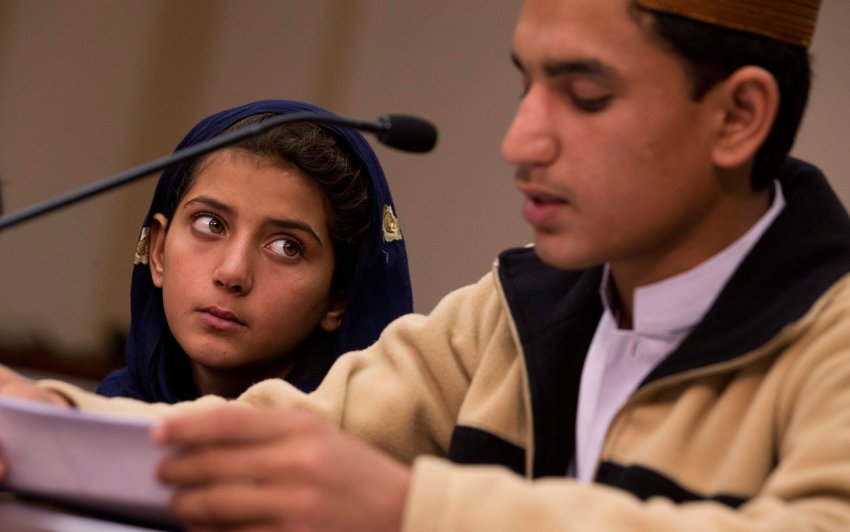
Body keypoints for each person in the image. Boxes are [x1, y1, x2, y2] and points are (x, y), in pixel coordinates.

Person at [2, 0, 850, 530]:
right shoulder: (513, 310)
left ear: (739, 116)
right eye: (527, 86)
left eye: (585, 96)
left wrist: (405, 508)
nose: (521, 141)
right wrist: (42, 422)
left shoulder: (833, 335)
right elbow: (271, 441)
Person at [97, 99, 413, 401]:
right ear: (159, 251)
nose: (232, 273)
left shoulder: (360, 447)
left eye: (287, 247)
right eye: (210, 224)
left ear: (337, 299)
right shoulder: (99, 416)